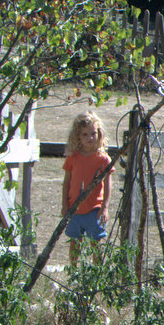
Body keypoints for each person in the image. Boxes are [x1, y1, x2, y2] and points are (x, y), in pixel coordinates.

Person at [61, 112, 112, 266]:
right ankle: (73, 271)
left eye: (93, 134)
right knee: (75, 242)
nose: (90, 138)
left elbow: (108, 184)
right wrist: (65, 205)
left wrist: (104, 208)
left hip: (94, 209)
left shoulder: (103, 159)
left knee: (96, 242)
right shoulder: (73, 157)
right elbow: (67, 182)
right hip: (74, 208)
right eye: (85, 134)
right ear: (78, 136)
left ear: (99, 134)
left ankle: (97, 273)